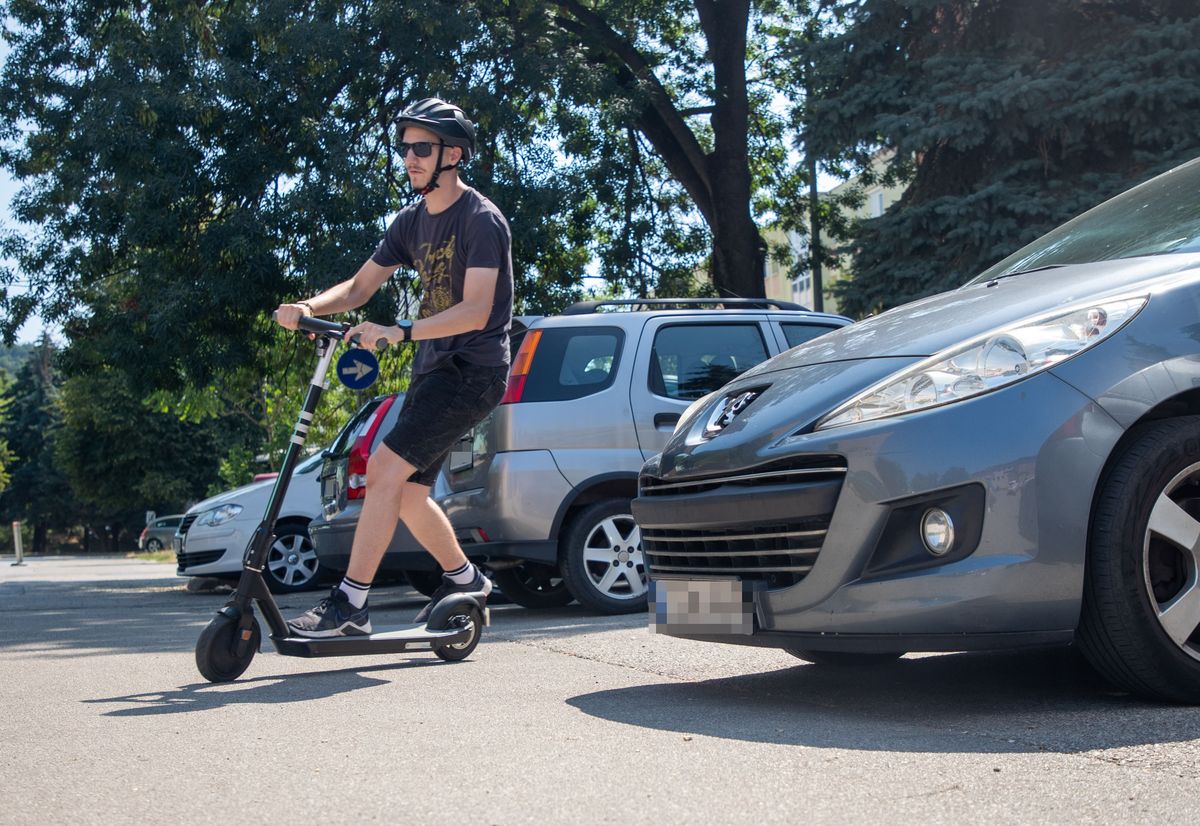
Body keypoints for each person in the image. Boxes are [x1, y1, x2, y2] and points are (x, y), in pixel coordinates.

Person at [274, 97, 513, 637]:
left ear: (453, 154)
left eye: (421, 147)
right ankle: (466, 579)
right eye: (405, 147)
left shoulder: (481, 220)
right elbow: (360, 287)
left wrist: (398, 331)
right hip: (434, 371)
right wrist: (310, 307)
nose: (410, 157)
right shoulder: (411, 221)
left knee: (381, 471)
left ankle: (350, 606)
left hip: (471, 370)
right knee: (406, 493)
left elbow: (476, 310)